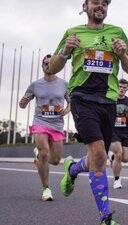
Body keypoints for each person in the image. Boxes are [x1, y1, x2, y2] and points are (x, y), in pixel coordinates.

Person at [49, 0, 128, 224]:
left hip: (108, 101)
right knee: (99, 155)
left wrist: (123, 54)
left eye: (105, 3)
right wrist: (66, 50)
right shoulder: (73, 32)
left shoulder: (118, 32)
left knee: (99, 158)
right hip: (82, 97)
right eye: (95, 2)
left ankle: (73, 168)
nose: (100, 6)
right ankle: (105, 217)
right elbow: (53, 67)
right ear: (85, 6)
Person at [19, 54, 70, 202]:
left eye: (51, 63)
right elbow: (23, 104)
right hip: (40, 122)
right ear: (42, 66)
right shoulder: (35, 85)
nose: (48, 65)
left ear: (56, 65)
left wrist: (65, 111)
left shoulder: (64, 84)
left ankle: (39, 157)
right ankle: (46, 189)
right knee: (44, 153)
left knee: (54, 160)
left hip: (57, 124)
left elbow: (70, 103)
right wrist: (22, 102)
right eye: (46, 63)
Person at [108, 78, 128, 189]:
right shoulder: (110, 99)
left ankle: (112, 158)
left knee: (125, 158)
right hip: (113, 132)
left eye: (124, 88)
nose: (121, 89)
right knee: (118, 153)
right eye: (120, 87)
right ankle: (117, 180)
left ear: (126, 89)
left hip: (126, 132)